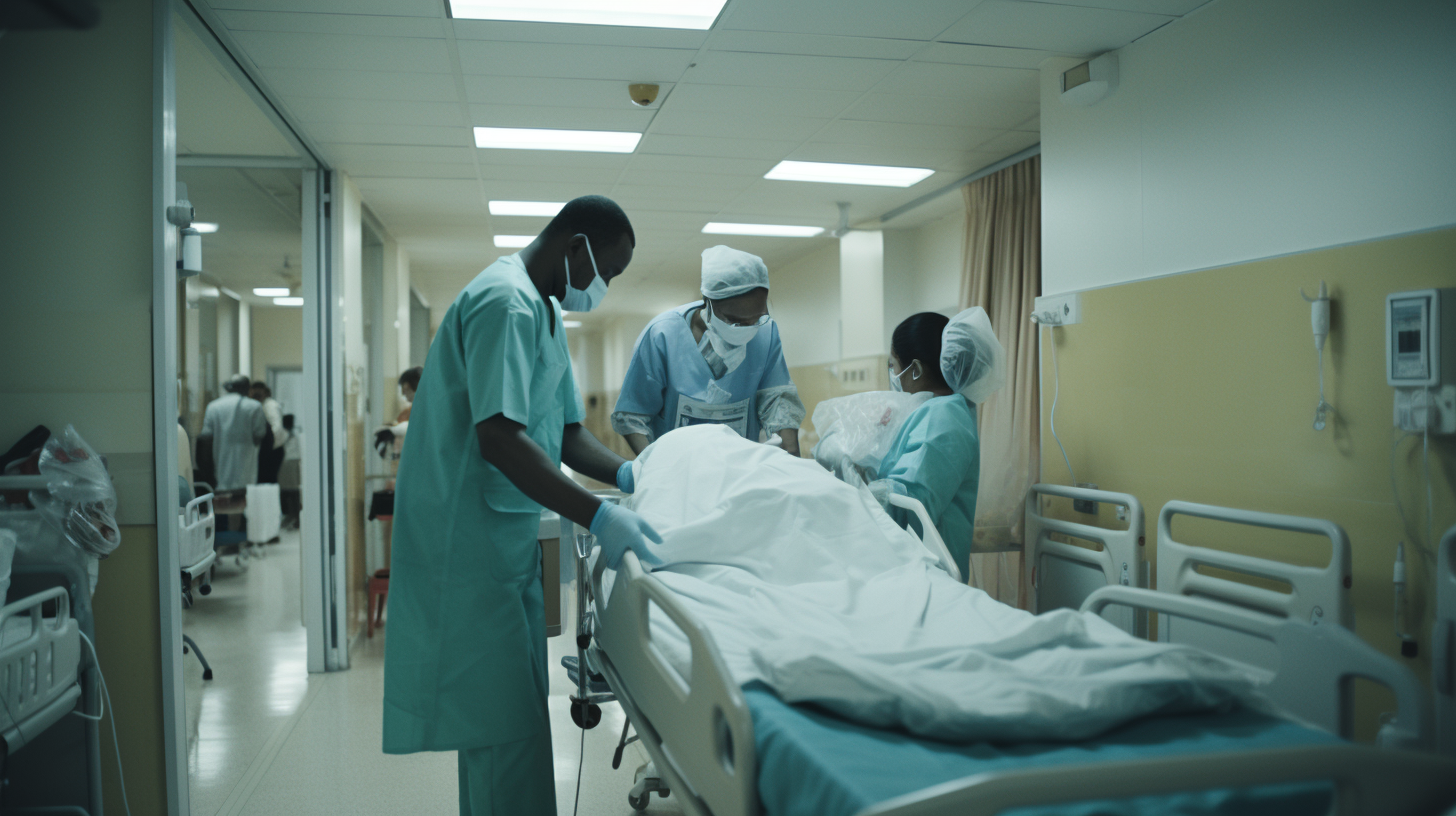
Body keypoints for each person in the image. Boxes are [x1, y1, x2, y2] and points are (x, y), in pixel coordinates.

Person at [382, 195, 663, 816]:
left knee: (516, 721)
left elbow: (563, 431)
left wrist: (629, 472)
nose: (602, 288)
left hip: (505, 546)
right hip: (467, 550)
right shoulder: (504, 303)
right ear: (574, 247)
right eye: (605, 273)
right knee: (498, 728)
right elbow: (500, 436)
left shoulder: (542, 311)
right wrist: (600, 514)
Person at [612, 245, 805, 456]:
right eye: (735, 321)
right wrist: (654, 465)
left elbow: (778, 401)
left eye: (757, 318)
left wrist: (790, 452)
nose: (748, 328)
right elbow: (633, 416)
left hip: (740, 471)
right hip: (677, 471)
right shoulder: (663, 335)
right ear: (708, 303)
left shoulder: (766, 334)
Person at [869, 308, 1005, 579]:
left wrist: (852, 483)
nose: (892, 375)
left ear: (916, 369)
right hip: (912, 569)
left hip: (928, 575)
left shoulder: (943, 417)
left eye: (894, 365)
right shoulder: (933, 412)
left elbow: (906, 509)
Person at [201, 374, 267, 491]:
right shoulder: (254, 406)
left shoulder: (213, 406)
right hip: (246, 468)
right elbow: (260, 434)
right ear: (247, 388)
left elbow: (206, 437)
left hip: (220, 467)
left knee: (223, 501)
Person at [250, 381, 287, 484]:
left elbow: (277, 428)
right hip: (269, 448)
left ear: (265, 393)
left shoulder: (270, 405)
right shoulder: (259, 405)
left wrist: (267, 445)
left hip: (273, 449)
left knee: (268, 480)